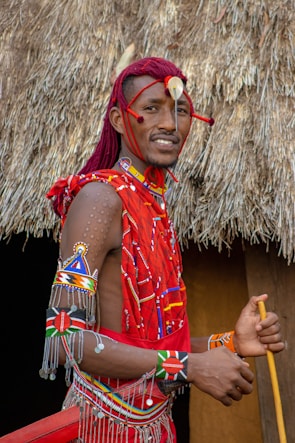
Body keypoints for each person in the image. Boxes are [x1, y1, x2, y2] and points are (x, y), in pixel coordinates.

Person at [40, 56, 285, 443]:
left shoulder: (154, 207)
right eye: (151, 109)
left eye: (181, 110)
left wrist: (231, 342)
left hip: (155, 428)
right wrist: (189, 367)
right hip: (102, 429)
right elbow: (66, 341)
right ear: (120, 120)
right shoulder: (100, 200)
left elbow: (148, 348)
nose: (170, 124)